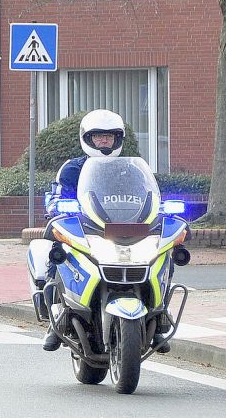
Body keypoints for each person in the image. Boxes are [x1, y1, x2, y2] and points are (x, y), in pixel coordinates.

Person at [30, 109, 171, 353]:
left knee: (163, 255)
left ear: (118, 139)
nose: (104, 142)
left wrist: (159, 208)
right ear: (87, 138)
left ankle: (159, 317)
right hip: (85, 229)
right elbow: (56, 195)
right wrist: (56, 206)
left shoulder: (131, 168)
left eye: (109, 137)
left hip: (126, 229)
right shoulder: (71, 169)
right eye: (99, 137)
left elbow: (148, 193)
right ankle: (57, 318)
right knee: (57, 253)